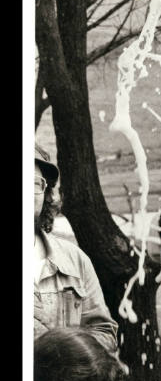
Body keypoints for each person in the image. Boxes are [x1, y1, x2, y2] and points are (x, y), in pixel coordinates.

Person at [34, 143, 118, 352]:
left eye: (34, 182)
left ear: (45, 194)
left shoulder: (74, 260)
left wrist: (68, 350)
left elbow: (104, 333)